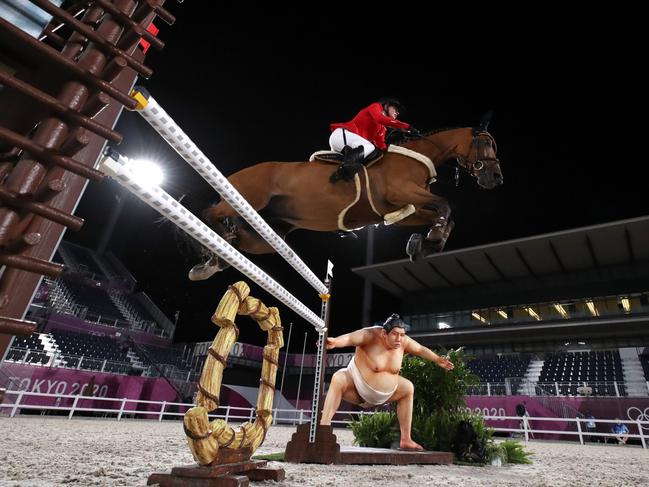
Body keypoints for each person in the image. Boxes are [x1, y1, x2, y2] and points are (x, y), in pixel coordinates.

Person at [320, 313, 454, 451]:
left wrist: (438, 359)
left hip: (386, 395)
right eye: (395, 334)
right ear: (384, 333)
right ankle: (323, 429)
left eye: (402, 335)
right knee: (338, 378)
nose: (399, 339)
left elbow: (419, 349)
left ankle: (406, 439)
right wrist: (335, 342)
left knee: (408, 387)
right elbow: (349, 338)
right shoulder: (369, 335)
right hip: (358, 390)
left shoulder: (403, 341)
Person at [328, 98, 417, 183]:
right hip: (341, 135)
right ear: (386, 105)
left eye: (398, 112)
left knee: (373, 153)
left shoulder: (382, 129)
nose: (397, 112)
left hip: (347, 145)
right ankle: (346, 165)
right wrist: (406, 126)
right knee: (370, 147)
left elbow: (382, 148)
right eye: (396, 108)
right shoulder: (376, 106)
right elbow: (380, 119)